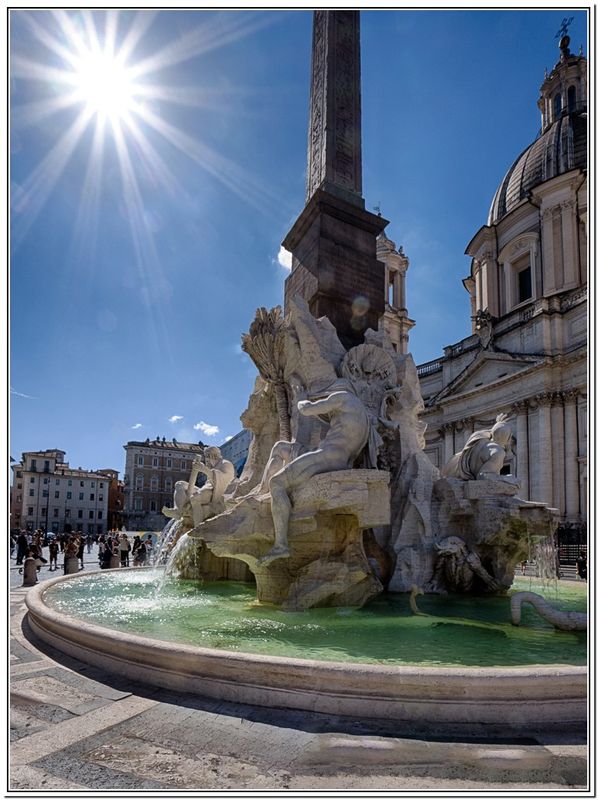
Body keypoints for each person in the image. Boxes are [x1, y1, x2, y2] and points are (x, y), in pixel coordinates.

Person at [258, 379, 371, 565]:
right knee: (281, 447)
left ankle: (281, 545)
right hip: (335, 458)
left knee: (277, 483)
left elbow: (307, 409)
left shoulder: (342, 397)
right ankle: (261, 491)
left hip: (325, 457)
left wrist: (301, 399)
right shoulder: (363, 417)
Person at [163, 447, 235, 528]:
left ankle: (198, 527)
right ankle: (178, 510)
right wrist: (203, 468)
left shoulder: (226, 464)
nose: (206, 459)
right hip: (206, 489)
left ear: (212, 455)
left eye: (207, 456)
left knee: (195, 498)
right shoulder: (212, 467)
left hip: (215, 491)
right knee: (179, 484)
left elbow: (225, 481)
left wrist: (204, 470)